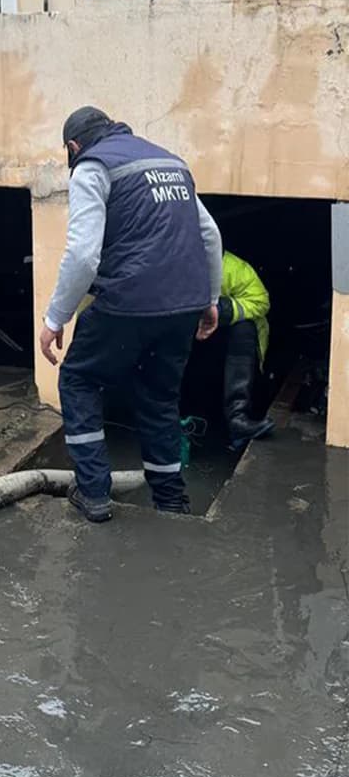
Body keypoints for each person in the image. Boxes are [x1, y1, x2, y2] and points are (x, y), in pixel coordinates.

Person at [39, 106, 223, 521]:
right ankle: (170, 500)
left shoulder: (92, 166)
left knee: (79, 379)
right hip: (182, 306)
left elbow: (84, 255)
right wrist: (208, 299)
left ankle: (94, 493)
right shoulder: (170, 162)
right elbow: (209, 235)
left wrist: (55, 319)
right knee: (159, 399)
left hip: (128, 302)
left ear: (73, 146)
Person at [216, 250, 274, 448]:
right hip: (186, 339)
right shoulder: (167, 260)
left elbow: (260, 301)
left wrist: (222, 310)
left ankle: (237, 418)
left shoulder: (232, 267)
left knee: (243, 328)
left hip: (227, 343)